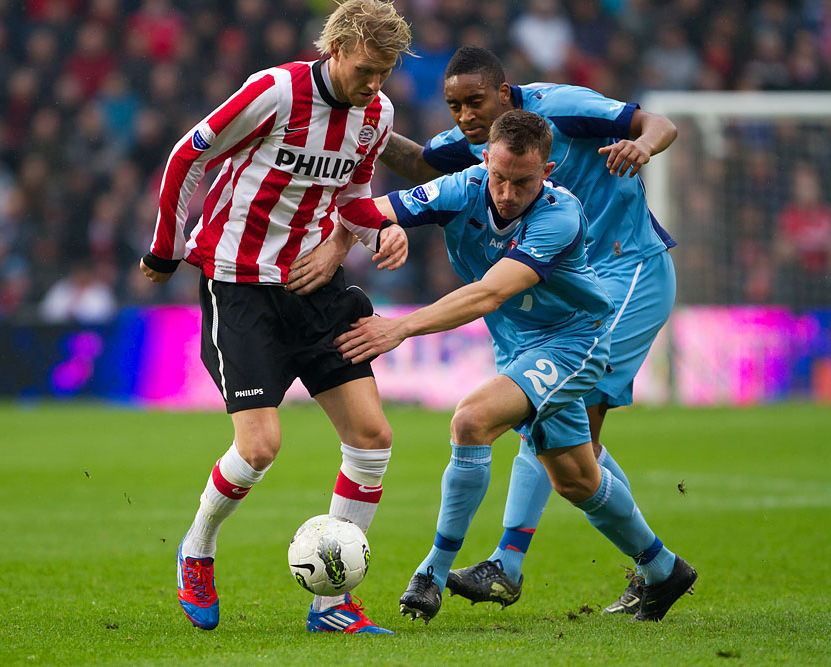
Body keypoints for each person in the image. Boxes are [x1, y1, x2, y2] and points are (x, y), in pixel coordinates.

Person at [336, 110, 696, 624]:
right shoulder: (465, 186)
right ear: (486, 160)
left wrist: (399, 327)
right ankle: (663, 568)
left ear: (547, 171)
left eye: (522, 181)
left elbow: (490, 292)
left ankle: (432, 573)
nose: (506, 192)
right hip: (520, 344)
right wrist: (360, 238)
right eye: (499, 177)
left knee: (471, 420)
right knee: (576, 478)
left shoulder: (560, 214)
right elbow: (375, 210)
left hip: (575, 342)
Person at [140, 0, 412, 634]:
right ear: (336, 48)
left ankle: (331, 604)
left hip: (314, 286)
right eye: (367, 69)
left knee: (372, 437)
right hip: (238, 285)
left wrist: (383, 231)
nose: (375, 84)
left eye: (386, 72)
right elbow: (188, 156)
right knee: (260, 446)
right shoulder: (275, 90)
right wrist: (166, 247)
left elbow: (353, 195)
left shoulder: (378, 113)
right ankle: (197, 547)